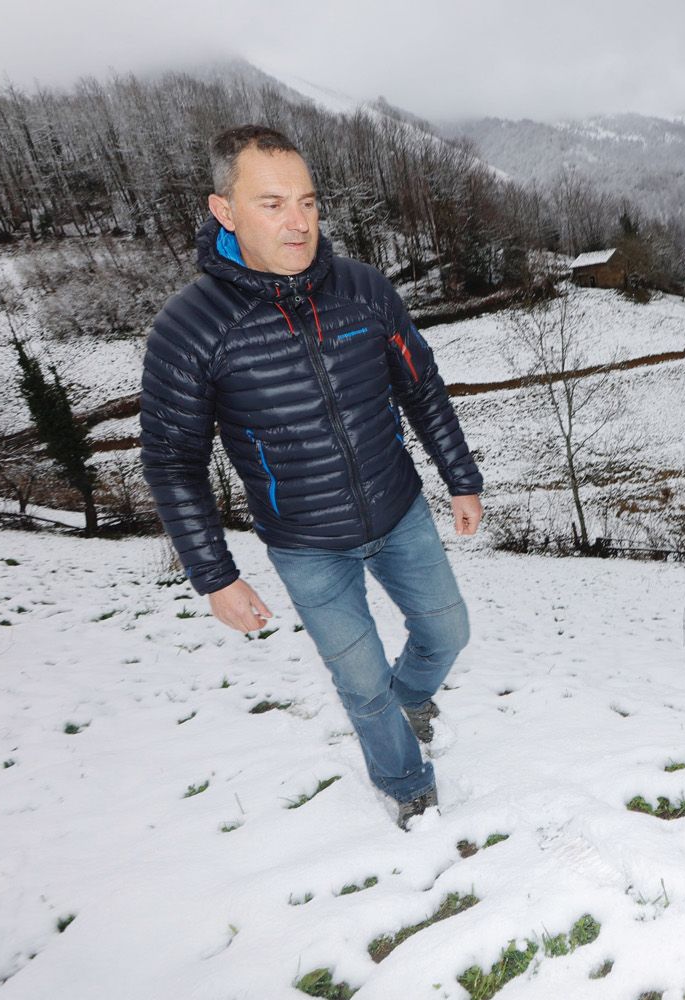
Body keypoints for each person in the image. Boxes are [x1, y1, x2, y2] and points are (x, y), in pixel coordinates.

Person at [139, 124, 484, 831]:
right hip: (306, 544)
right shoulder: (191, 328)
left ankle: (412, 700)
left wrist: (461, 476)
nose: (298, 222)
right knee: (360, 684)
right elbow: (173, 460)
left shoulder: (363, 289)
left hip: (399, 512)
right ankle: (406, 780)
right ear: (224, 210)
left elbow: (420, 386)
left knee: (448, 632)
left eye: (308, 201)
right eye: (272, 204)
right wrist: (216, 575)